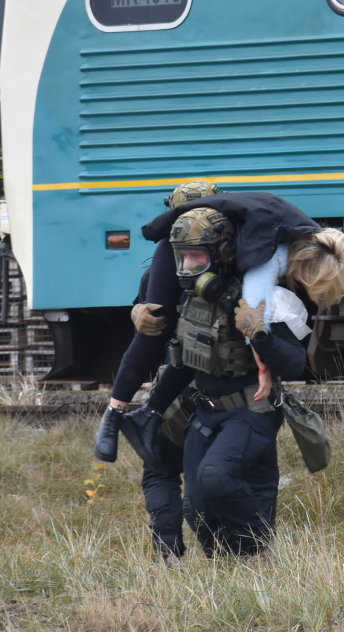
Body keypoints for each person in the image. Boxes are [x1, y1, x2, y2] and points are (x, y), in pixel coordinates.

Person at [135, 194, 344, 557]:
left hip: (250, 410)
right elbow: (177, 350)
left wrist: (259, 334)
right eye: (185, 251)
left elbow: (296, 364)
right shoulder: (185, 281)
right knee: (197, 510)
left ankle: (257, 552)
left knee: (217, 478)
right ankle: (230, 567)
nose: (191, 261)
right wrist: (140, 316)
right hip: (204, 410)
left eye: (198, 251)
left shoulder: (265, 292)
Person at [93, 180, 222, 561]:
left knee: (160, 469)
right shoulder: (237, 267)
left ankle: (169, 555)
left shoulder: (161, 271)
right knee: (210, 478)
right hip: (224, 389)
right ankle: (220, 555)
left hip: (171, 390)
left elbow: (147, 337)